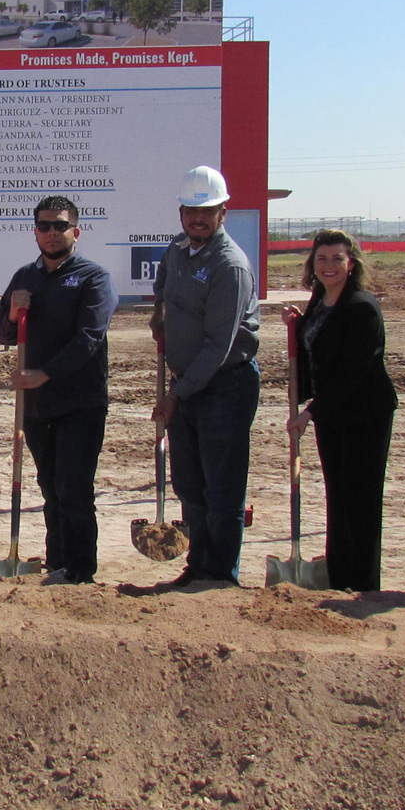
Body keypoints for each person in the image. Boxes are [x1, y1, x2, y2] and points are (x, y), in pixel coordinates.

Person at [0, 195, 116, 585]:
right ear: (35, 232)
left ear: (76, 231)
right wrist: (12, 313)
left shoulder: (94, 277)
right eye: (44, 226)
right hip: (38, 404)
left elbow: (89, 338)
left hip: (80, 402)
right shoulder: (24, 277)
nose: (51, 233)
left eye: (60, 225)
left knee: (74, 487)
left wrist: (45, 373)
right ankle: (57, 562)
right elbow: (1, 333)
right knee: (49, 486)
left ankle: (80, 571)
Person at [149, 165, 260, 587]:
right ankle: (198, 566)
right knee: (190, 486)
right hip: (188, 384)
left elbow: (218, 346)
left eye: (207, 211)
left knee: (222, 490)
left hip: (224, 385)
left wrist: (176, 394)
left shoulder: (229, 266)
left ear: (223, 213)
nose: (198, 218)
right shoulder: (178, 250)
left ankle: (219, 575)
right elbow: (163, 285)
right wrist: (160, 312)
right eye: (191, 210)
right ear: (181, 213)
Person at [284, 229, 397, 592]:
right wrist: (297, 326)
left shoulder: (362, 306)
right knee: (338, 496)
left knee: (360, 500)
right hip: (332, 417)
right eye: (322, 259)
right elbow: (319, 352)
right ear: (312, 265)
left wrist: (310, 412)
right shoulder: (319, 301)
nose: (329, 265)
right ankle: (339, 576)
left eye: (337, 258)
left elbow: (354, 371)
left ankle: (363, 584)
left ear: (352, 263)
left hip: (364, 415)